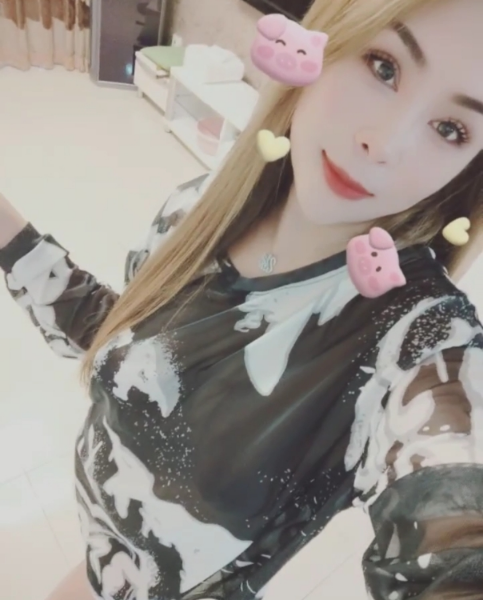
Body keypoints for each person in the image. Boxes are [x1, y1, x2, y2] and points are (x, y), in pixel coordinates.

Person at [2, 0, 483, 598]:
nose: (383, 144)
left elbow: (453, 525)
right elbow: (123, 343)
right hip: (100, 565)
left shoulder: (419, 343)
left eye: (451, 129)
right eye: (383, 67)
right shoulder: (196, 209)